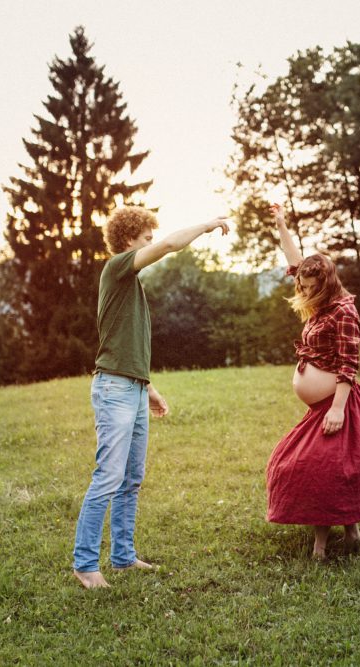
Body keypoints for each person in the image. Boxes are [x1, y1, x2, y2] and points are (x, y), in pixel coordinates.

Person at [73, 206, 229, 589]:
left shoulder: (131, 285)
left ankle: (123, 557)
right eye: (145, 236)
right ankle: (85, 563)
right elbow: (171, 245)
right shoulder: (117, 268)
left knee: (131, 479)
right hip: (112, 390)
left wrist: (149, 387)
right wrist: (206, 224)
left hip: (132, 387)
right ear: (129, 239)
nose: (150, 241)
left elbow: (127, 345)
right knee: (108, 476)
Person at [265, 203, 360, 559]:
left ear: (326, 283)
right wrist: (281, 224)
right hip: (321, 405)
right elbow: (295, 258)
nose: (305, 292)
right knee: (326, 468)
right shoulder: (318, 301)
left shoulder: (343, 311)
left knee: (321, 470)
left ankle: (321, 546)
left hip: (338, 405)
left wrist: (338, 410)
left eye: (312, 286)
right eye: (303, 285)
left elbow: (348, 363)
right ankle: (350, 531)